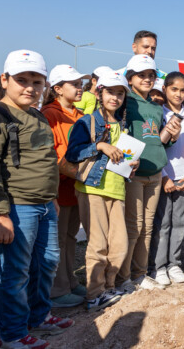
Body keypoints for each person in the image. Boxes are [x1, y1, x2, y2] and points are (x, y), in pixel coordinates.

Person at [0, 50, 73, 348]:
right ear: (4, 80)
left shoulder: (36, 115)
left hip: (44, 205)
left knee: (46, 263)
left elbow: (44, 161)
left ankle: (38, 317)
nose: (29, 87)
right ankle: (13, 333)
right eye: (21, 80)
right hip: (15, 207)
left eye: (36, 81)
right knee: (15, 273)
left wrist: (51, 197)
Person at [66, 70, 135, 311]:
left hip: (117, 189)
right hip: (92, 189)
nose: (115, 98)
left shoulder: (124, 125)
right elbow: (72, 153)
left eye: (119, 93)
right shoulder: (87, 122)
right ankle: (94, 294)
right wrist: (100, 145)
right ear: (99, 93)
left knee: (119, 244)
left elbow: (122, 158)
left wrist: (130, 166)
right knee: (98, 243)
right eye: (110, 92)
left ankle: (108, 287)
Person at [117, 54, 179, 292]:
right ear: (130, 77)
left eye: (150, 75)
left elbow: (157, 140)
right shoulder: (126, 102)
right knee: (134, 226)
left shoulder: (155, 106)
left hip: (155, 172)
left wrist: (171, 134)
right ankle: (123, 277)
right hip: (134, 173)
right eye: (141, 75)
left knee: (148, 227)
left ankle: (140, 274)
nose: (146, 79)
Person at [41, 65, 89, 308]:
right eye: (75, 84)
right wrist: (83, 174)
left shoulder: (80, 116)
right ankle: (57, 291)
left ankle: (70, 281)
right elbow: (54, 157)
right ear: (57, 89)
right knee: (57, 241)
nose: (80, 88)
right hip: (59, 189)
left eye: (81, 84)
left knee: (70, 237)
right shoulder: (49, 114)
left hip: (76, 189)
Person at [153, 72, 184, 286]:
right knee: (163, 223)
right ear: (165, 89)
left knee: (180, 223)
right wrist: (163, 176)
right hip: (164, 178)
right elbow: (155, 148)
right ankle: (159, 266)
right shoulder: (158, 113)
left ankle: (174, 264)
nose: (178, 94)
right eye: (174, 89)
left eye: (182, 90)